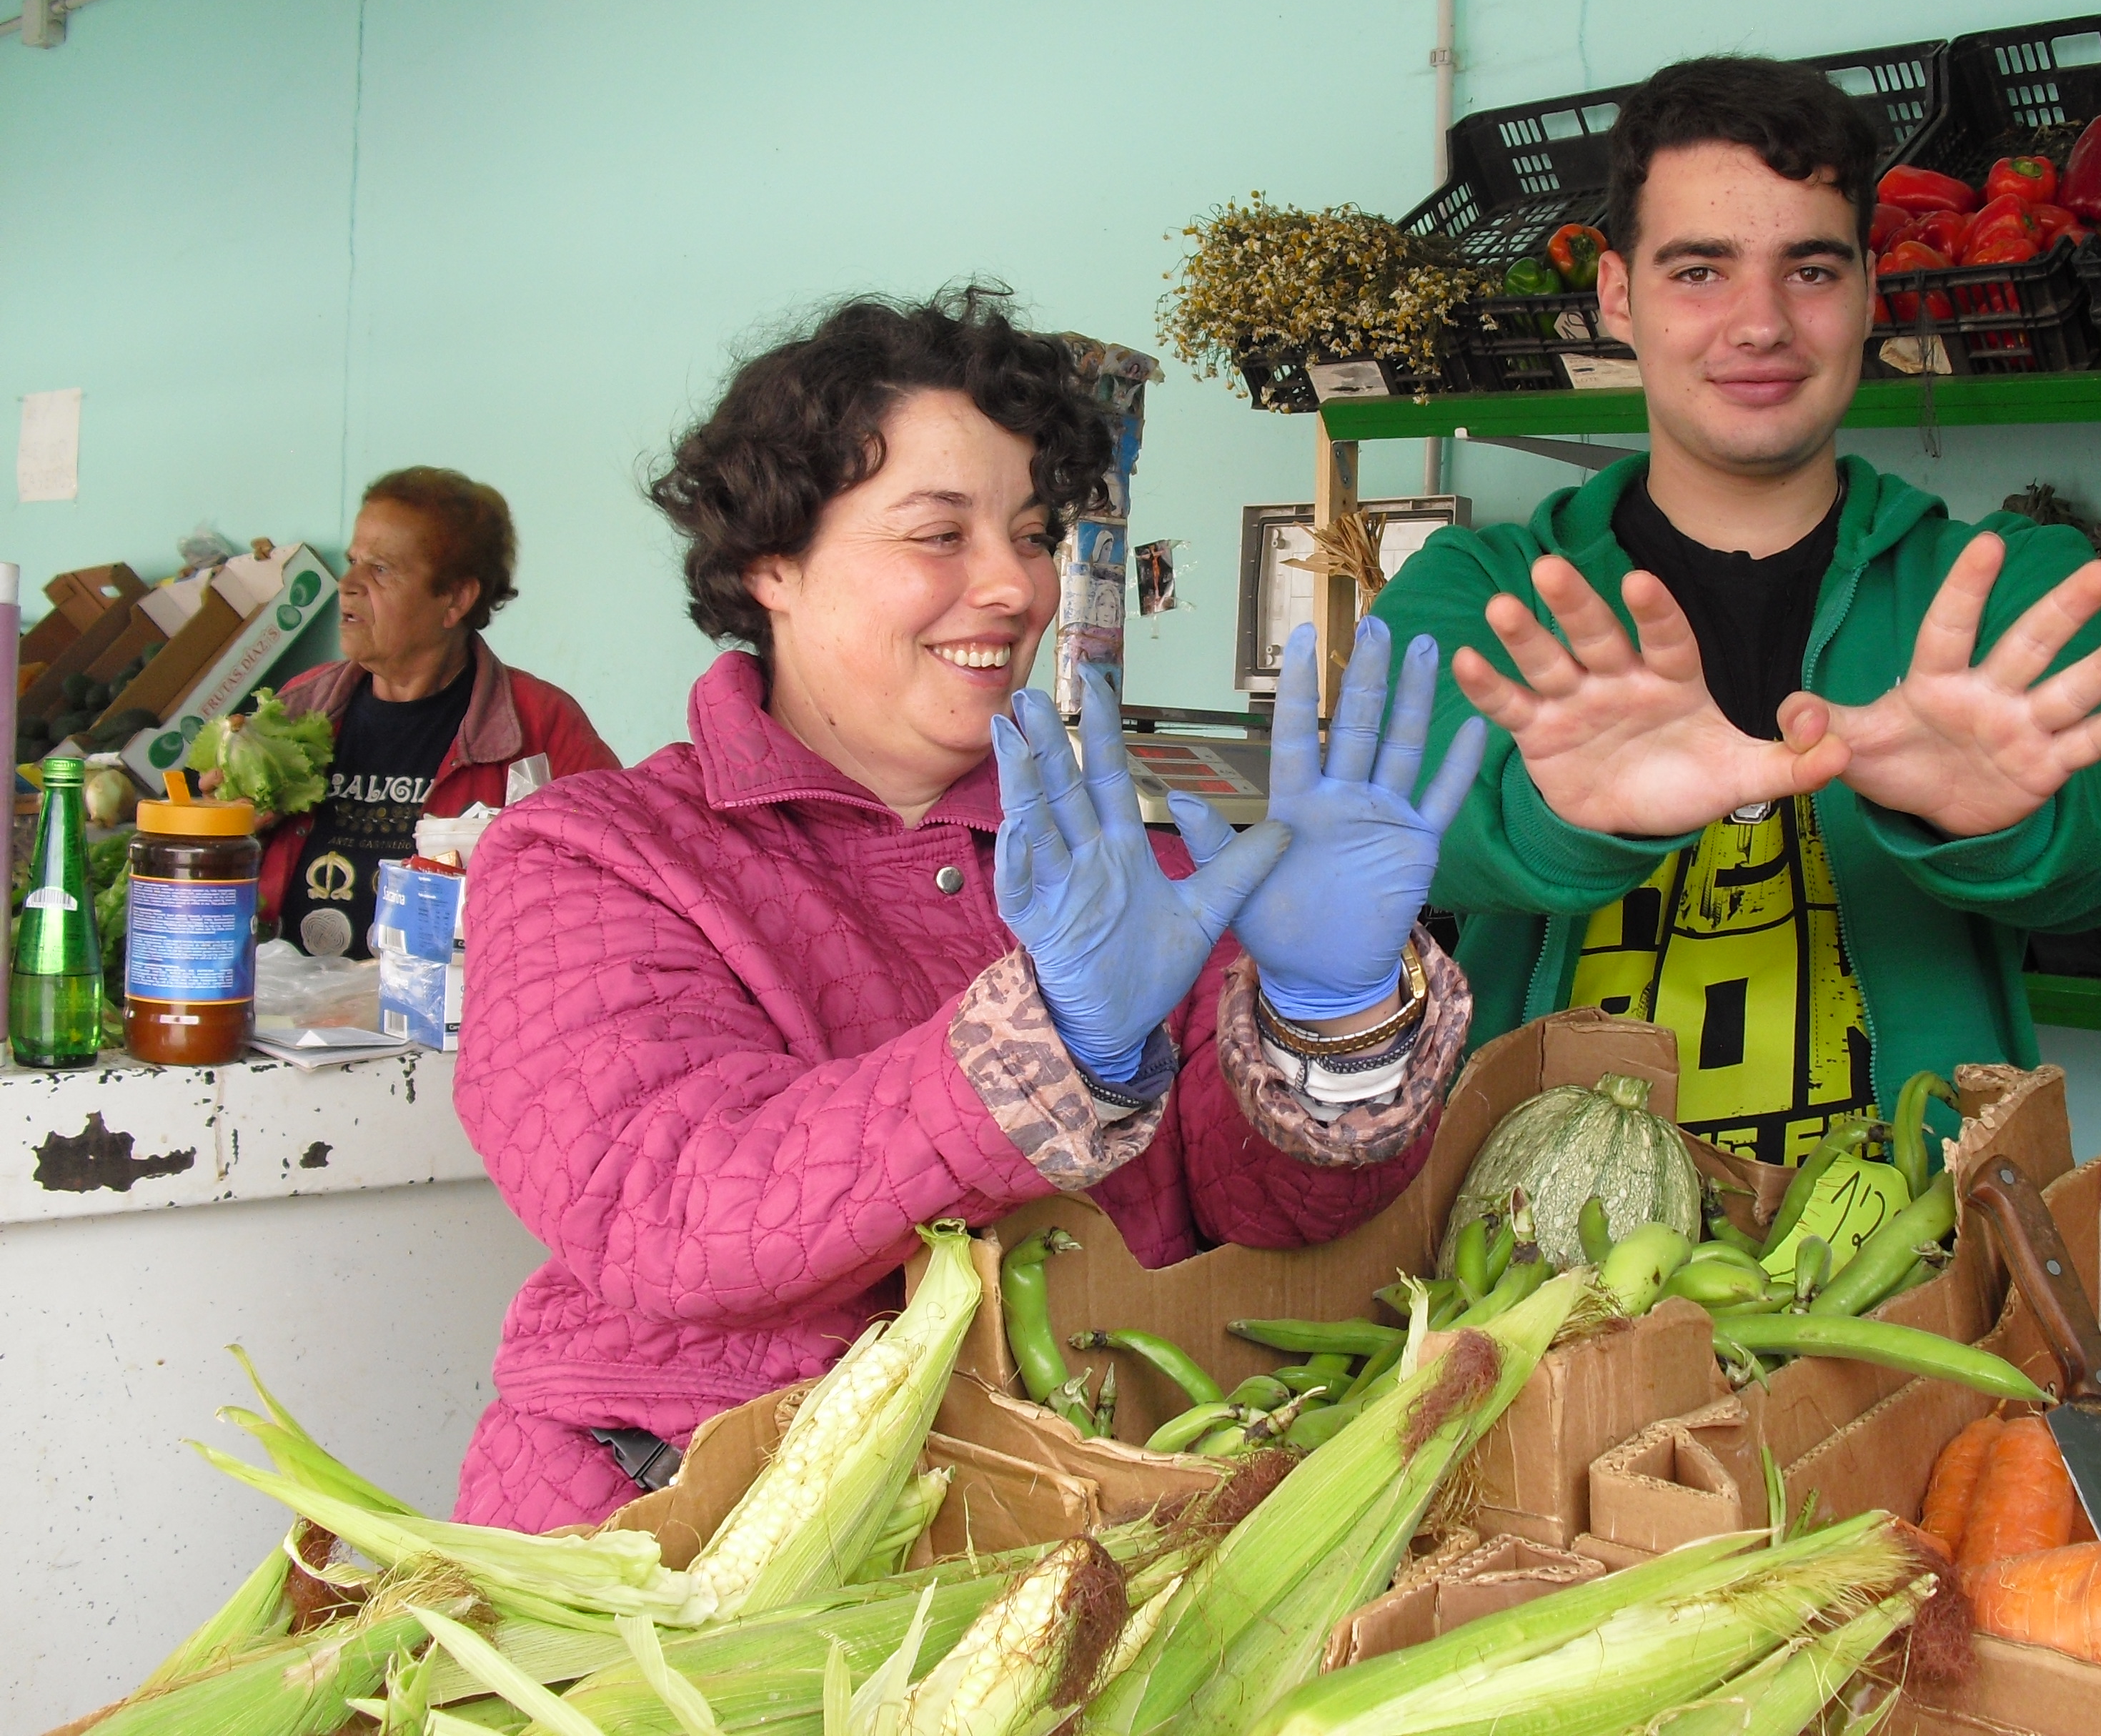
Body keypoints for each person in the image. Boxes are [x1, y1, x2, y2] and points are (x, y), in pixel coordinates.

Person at [449, 289, 1486, 1532]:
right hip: (675, 1529)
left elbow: (1265, 1217)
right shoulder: (598, 855)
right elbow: (666, 1207)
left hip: (1067, 1528)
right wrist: (1043, 1049)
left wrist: (1331, 1021)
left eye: (1034, 532)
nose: (1012, 585)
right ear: (771, 560)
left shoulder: (1129, 865)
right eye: (938, 534)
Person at [1373, 56, 2101, 1167]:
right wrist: (1558, 811)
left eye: (1811, 270)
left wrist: (1996, 822)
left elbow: (2099, 858)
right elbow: (1380, 826)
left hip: (1918, 1272)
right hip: (1530, 1278)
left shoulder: (2007, 590)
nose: (1760, 324)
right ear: (1616, 295)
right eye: (1699, 271)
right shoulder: (1483, 592)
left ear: (1869, 292)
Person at [262, 467, 619, 958]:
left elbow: (612, 882)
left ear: (455, 598)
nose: (347, 584)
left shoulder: (540, 724)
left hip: (450, 1021)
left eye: (381, 569)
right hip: (289, 1010)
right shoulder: (300, 705)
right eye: (353, 562)